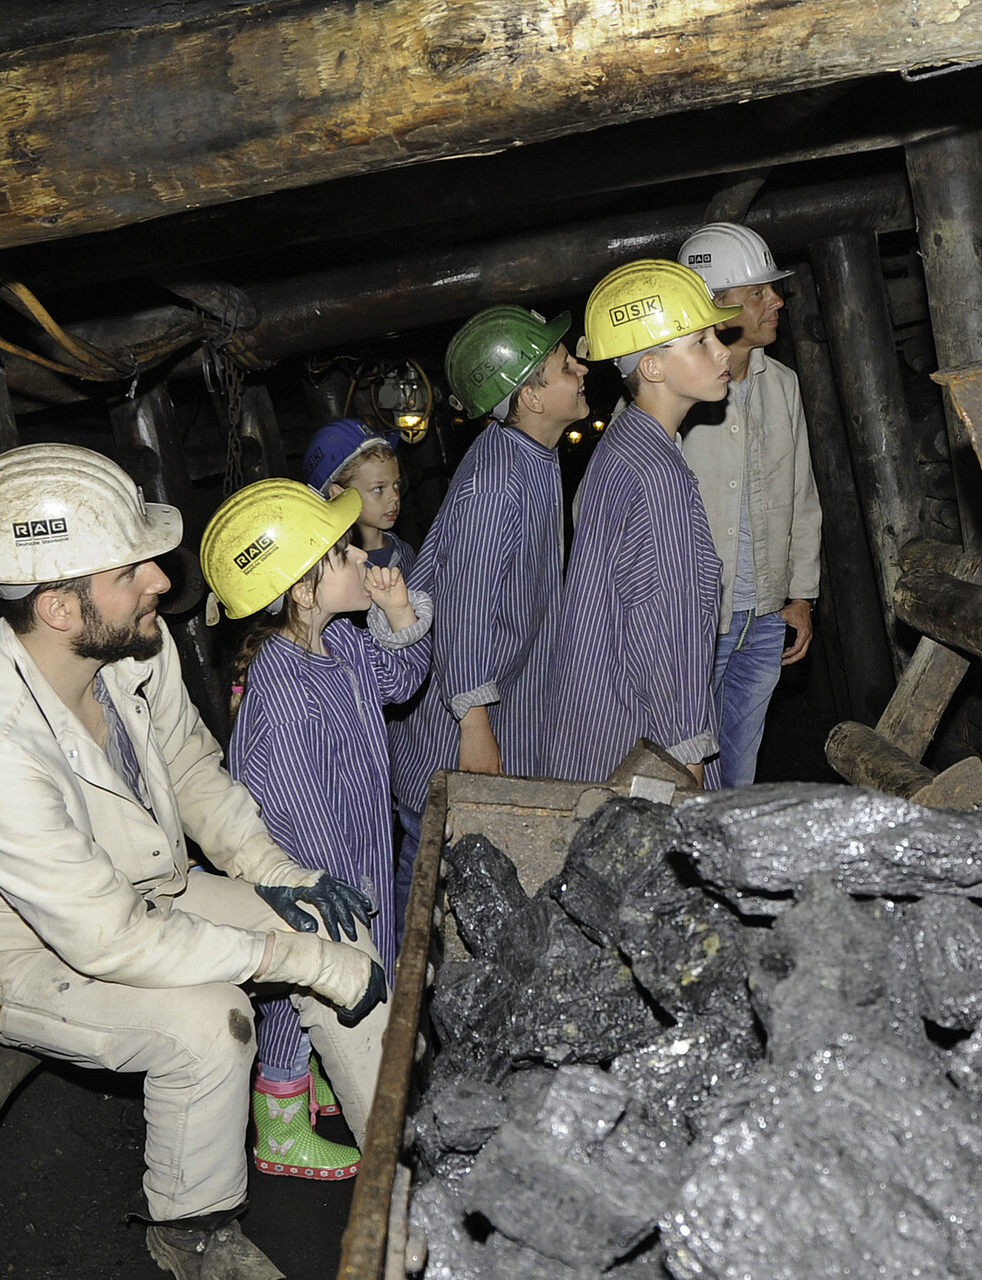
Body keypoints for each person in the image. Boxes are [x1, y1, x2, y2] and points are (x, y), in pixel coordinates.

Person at [0, 444, 389, 1280]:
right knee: (208, 1024)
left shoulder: (133, 644)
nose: (163, 580)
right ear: (60, 607)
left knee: (350, 945)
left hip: (144, 894)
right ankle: (193, 1234)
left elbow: (194, 769)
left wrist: (281, 875)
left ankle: (401, 1164)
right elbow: (110, 941)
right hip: (13, 959)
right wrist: (291, 956)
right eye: (134, 568)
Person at [202, 479, 432, 1182]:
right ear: (303, 591)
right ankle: (280, 1124)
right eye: (343, 556)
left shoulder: (345, 645)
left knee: (341, 989)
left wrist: (398, 614)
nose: (366, 562)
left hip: (359, 851)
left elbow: (402, 679)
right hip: (309, 870)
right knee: (296, 1000)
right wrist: (331, 883)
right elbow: (291, 804)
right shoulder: (281, 677)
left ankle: (334, 1075)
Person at [389, 308, 583, 919]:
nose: (580, 368)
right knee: (423, 888)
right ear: (528, 395)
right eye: (562, 366)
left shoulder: (533, 456)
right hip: (450, 732)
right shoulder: (497, 479)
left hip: (486, 713)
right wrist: (473, 723)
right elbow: (465, 609)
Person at [541, 260, 738, 784]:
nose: (723, 351)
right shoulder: (659, 477)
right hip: (645, 744)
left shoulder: (621, 446)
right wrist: (687, 754)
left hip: (596, 725)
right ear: (652, 368)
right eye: (700, 341)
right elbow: (668, 626)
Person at [676, 222, 823, 787]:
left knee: (737, 774)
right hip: (694, 624)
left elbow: (801, 496)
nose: (776, 300)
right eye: (758, 291)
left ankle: (728, 875)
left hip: (762, 617)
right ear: (714, 306)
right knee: (679, 770)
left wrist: (801, 594)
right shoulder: (672, 395)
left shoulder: (781, 385)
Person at [303, 418, 413, 572]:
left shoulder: (405, 553)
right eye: (378, 488)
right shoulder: (334, 572)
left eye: (396, 484)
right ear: (338, 495)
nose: (394, 496)